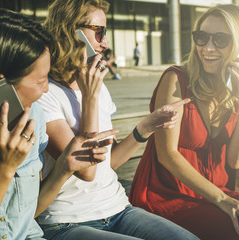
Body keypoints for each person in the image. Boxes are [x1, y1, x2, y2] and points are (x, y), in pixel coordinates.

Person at [0, 9, 116, 239]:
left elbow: (27, 214)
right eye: (40, 81)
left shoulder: (32, 116)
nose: (46, 89)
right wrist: (4, 168)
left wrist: (63, 168)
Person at [36, 0, 198, 239]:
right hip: (66, 222)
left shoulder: (98, 87)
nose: (105, 43)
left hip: (118, 210)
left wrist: (144, 127)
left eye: (106, 32)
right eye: (98, 31)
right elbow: (86, 171)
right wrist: (89, 98)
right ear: (71, 32)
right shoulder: (45, 93)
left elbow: (107, 164)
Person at [129, 4, 239, 240]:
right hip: (167, 195)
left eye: (220, 40)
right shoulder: (176, 79)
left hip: (215, 193)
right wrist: (223, 200)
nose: (207, 47)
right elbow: (167, 154)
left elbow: (237, 160)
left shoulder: (237, 92)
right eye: (201, 37)